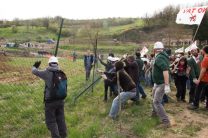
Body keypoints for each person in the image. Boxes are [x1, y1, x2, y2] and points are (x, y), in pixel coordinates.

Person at [32, 56, 67, 138]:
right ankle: (63, 135)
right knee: (61, 119)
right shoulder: (61, 72)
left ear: (49, 63)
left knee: (51, 121)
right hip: (61, 101)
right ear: (57, 63)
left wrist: (35, 66)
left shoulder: (46, 72)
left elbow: (34, 71)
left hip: (50, 102)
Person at [152, 41, 171, 128]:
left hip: (161, 83)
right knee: (154, 97)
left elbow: (165, 70)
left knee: (157, 101)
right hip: (157, 83)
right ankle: (154, 113)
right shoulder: (162, 56)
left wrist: (166, 85)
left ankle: (166, 122)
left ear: (155, 49)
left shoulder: (159, 57)